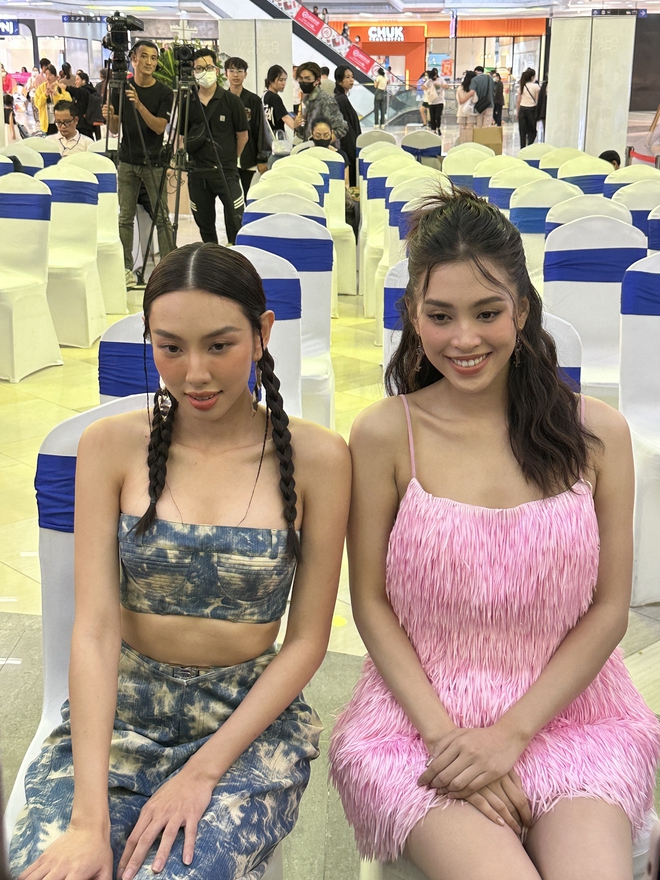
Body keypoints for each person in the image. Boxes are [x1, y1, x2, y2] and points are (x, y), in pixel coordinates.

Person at [328, 187, 660, 880]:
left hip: (574, 715)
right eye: (440, 316)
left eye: (487, 313)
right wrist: (451, 741)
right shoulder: (386, 433)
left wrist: (510, 734)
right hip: (417, 724)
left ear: (523, 310)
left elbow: (608, 610)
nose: (464, 339)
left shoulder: (597, 434)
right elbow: (371, 605)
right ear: (413, 316)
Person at [9, 241, 351, 880]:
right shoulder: (109, 447)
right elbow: (95, 629)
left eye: (220, 346)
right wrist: (87, 820)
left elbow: (307, 640)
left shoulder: (320, 459)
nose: (195, 373)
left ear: (262, 333)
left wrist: (203, 772)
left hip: (246, 725)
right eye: (170, 348)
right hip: (120, 714)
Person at [103, 39, 175, 287]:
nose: (149, 62)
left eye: (154, 58)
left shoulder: (164, 92)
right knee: (125, 217)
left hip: (154, 162)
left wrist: (139, 105)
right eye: (144, 56)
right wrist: (109, 117)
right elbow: (115, 129)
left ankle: (169, 269)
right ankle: (125, 269)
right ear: (133, 59)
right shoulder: (121, 87)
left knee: (162, 217)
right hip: (127, 160)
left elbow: (159, 127)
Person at [186, 48, 248, 246]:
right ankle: (211, 259)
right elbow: (181, 137)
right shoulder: (188, 102)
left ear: (217, 70)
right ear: (193, 72)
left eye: (209, 67)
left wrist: (230, 158)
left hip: (226, 171)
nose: (205, 72)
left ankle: (236, 258)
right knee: (205, 226)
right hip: (198, 173)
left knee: (236, 221)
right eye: (199, 68)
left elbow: (242, 136)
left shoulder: (232, 101)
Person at [224, 56, 270, 199]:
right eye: (232, 71)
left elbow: (261, 129)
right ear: (226, 74)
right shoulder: (221, 99)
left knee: (250, 197)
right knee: (230, 199)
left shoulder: (253, 100)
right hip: (226, 158)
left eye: (239, 71)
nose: (236, 75)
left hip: (248, 158)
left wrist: (262, 158)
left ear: (245, 74)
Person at [295, 62, 346, 142]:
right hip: (309, 147)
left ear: (317, 80)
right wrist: (297, 126)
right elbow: (307, 134)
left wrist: (324, 143)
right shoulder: (307, 100)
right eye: (301, 78)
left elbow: (342, 128)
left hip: (324, 148)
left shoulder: (325, 100)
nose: (303, 82)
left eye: (307, 79)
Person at [334, 65, 361, 187]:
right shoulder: (341, 100)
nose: (351, 80)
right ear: (340, 81)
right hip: (348, 146)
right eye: (347, 77)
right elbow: (347, 127)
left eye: (352, 77)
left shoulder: (342, 98)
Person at [34, 65, 72, 134]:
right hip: (46, 123)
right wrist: (45, 95)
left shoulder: (60, 87)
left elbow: (68, 101)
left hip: (60, 121)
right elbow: (38, 104)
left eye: (50, 75)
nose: (48, 77)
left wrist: (56, 95)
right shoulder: (41, 88)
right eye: (46, 74)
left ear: (55, 76)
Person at [263, 65, 300, 137]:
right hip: (276, 137)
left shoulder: (264, 96)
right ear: (271, 80)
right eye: (280, 80)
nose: (284, 83)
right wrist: (296, 127)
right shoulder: (275, 98)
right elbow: (285, 117)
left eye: (285, 80)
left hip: (266, 136)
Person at [69, 70, 102, 140]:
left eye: (77, 79)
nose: (75, 82)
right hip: (87, 122)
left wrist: (64, 87)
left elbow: (74, 91)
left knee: (85, 140)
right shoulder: (91, 90)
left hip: (84, 123)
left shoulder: (84, 91)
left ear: (84, 81)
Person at [517, 68, 540, 148]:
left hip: (522, 109)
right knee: (532, 130)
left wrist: (518, 112)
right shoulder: (536, 86)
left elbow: (518, 101)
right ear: (532, 77)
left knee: (522, 131)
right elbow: (537, 100)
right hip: (532, 110)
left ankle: (522, 148)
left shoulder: (522, 86)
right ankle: (529, 145)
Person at [422, 69, 446, 136]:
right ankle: (434, 129)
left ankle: (438, 128)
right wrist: (429, 89)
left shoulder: (441, 80)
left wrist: (439, 85)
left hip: (439, 101)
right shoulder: (429, 81)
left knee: (438, 116)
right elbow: (423, 87)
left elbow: (446, 86)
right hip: (431, 102)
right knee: (432, 117)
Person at [456, 70, 477, 144]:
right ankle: (469, 144)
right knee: (470, 129)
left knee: (462, 129)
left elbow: (459, 101)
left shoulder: (460, 88)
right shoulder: (474, 89)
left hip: (461, 111)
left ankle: (463, 144)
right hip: (471, 111)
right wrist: (470, 95)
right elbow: (475, 100)